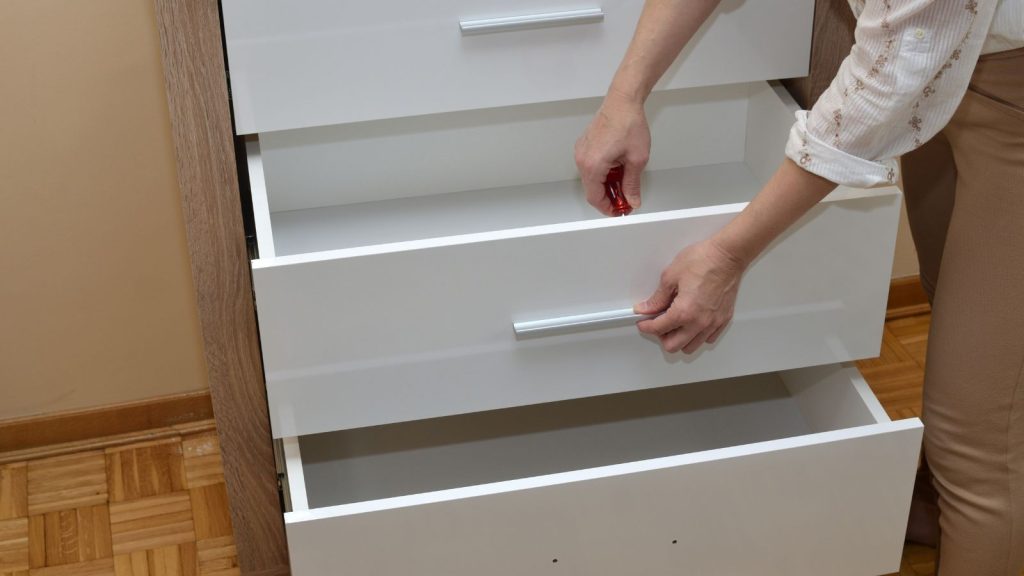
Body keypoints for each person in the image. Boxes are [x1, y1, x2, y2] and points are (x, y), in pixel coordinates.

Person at [574, 0, 1023, 573]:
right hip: (951, 72)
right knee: (963, 320)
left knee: (982, 453)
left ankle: (972, 514)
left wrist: (728, 252)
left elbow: (884, 83)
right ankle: (929, 512)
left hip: (1006, 91)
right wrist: (625, 93)